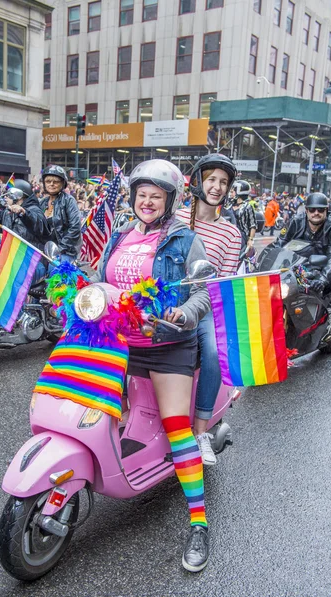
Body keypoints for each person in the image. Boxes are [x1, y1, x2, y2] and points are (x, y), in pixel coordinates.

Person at [93, 159, 212, 572]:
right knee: (93, 409)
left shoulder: (183, 239)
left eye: (155, 196)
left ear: (169, 200)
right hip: (116, 341)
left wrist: (182, 315)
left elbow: (202, 294)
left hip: (165, 344)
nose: (147, 202)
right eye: (141, 195)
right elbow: (100, 278)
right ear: (133, 198)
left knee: (178, 429)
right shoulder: (120, 235)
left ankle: (198, 522)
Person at [176, 154, 242, 466]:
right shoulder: (174, 217)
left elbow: (223, 285)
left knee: (215, 352)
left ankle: (200, 430)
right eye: (211, 179)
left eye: (223, 182)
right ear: (199, 181)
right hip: (164, 300)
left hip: (203, 307)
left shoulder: (231, 233)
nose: (216, 187)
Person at [273, 192, 331, 294]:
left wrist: (323, 279)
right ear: (306, 210)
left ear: (326, 210)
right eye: (312, 209)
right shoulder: (296, 222)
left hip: (326, 271)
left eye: (320, 209)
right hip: (300, 270)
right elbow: (279, 243)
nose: (316, 213)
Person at [0, 179, 49, 250]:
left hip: (29, 259)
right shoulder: (8, 213)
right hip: (12, 257)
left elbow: (39, 224)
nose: (6, 197)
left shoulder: (34, 209)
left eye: (9, 195)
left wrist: (24, 214)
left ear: (19, 196)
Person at [40, 165, 82, 263]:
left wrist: (60, 248)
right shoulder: (42, 202)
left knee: (55, 273)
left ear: (63, 183)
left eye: (56, 181)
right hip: (44, 251)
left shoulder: (68, 200)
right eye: (48, 181)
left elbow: (75, 227)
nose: (51, 184)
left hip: (65, 251)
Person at [232, 179, 257, 252]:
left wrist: (250, 240)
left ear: (239, 192)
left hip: (241, 238)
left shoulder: (248, 207)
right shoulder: (229, 205)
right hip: (229, 237)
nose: (231, 193)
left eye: (233, 191)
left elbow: (253, 225)